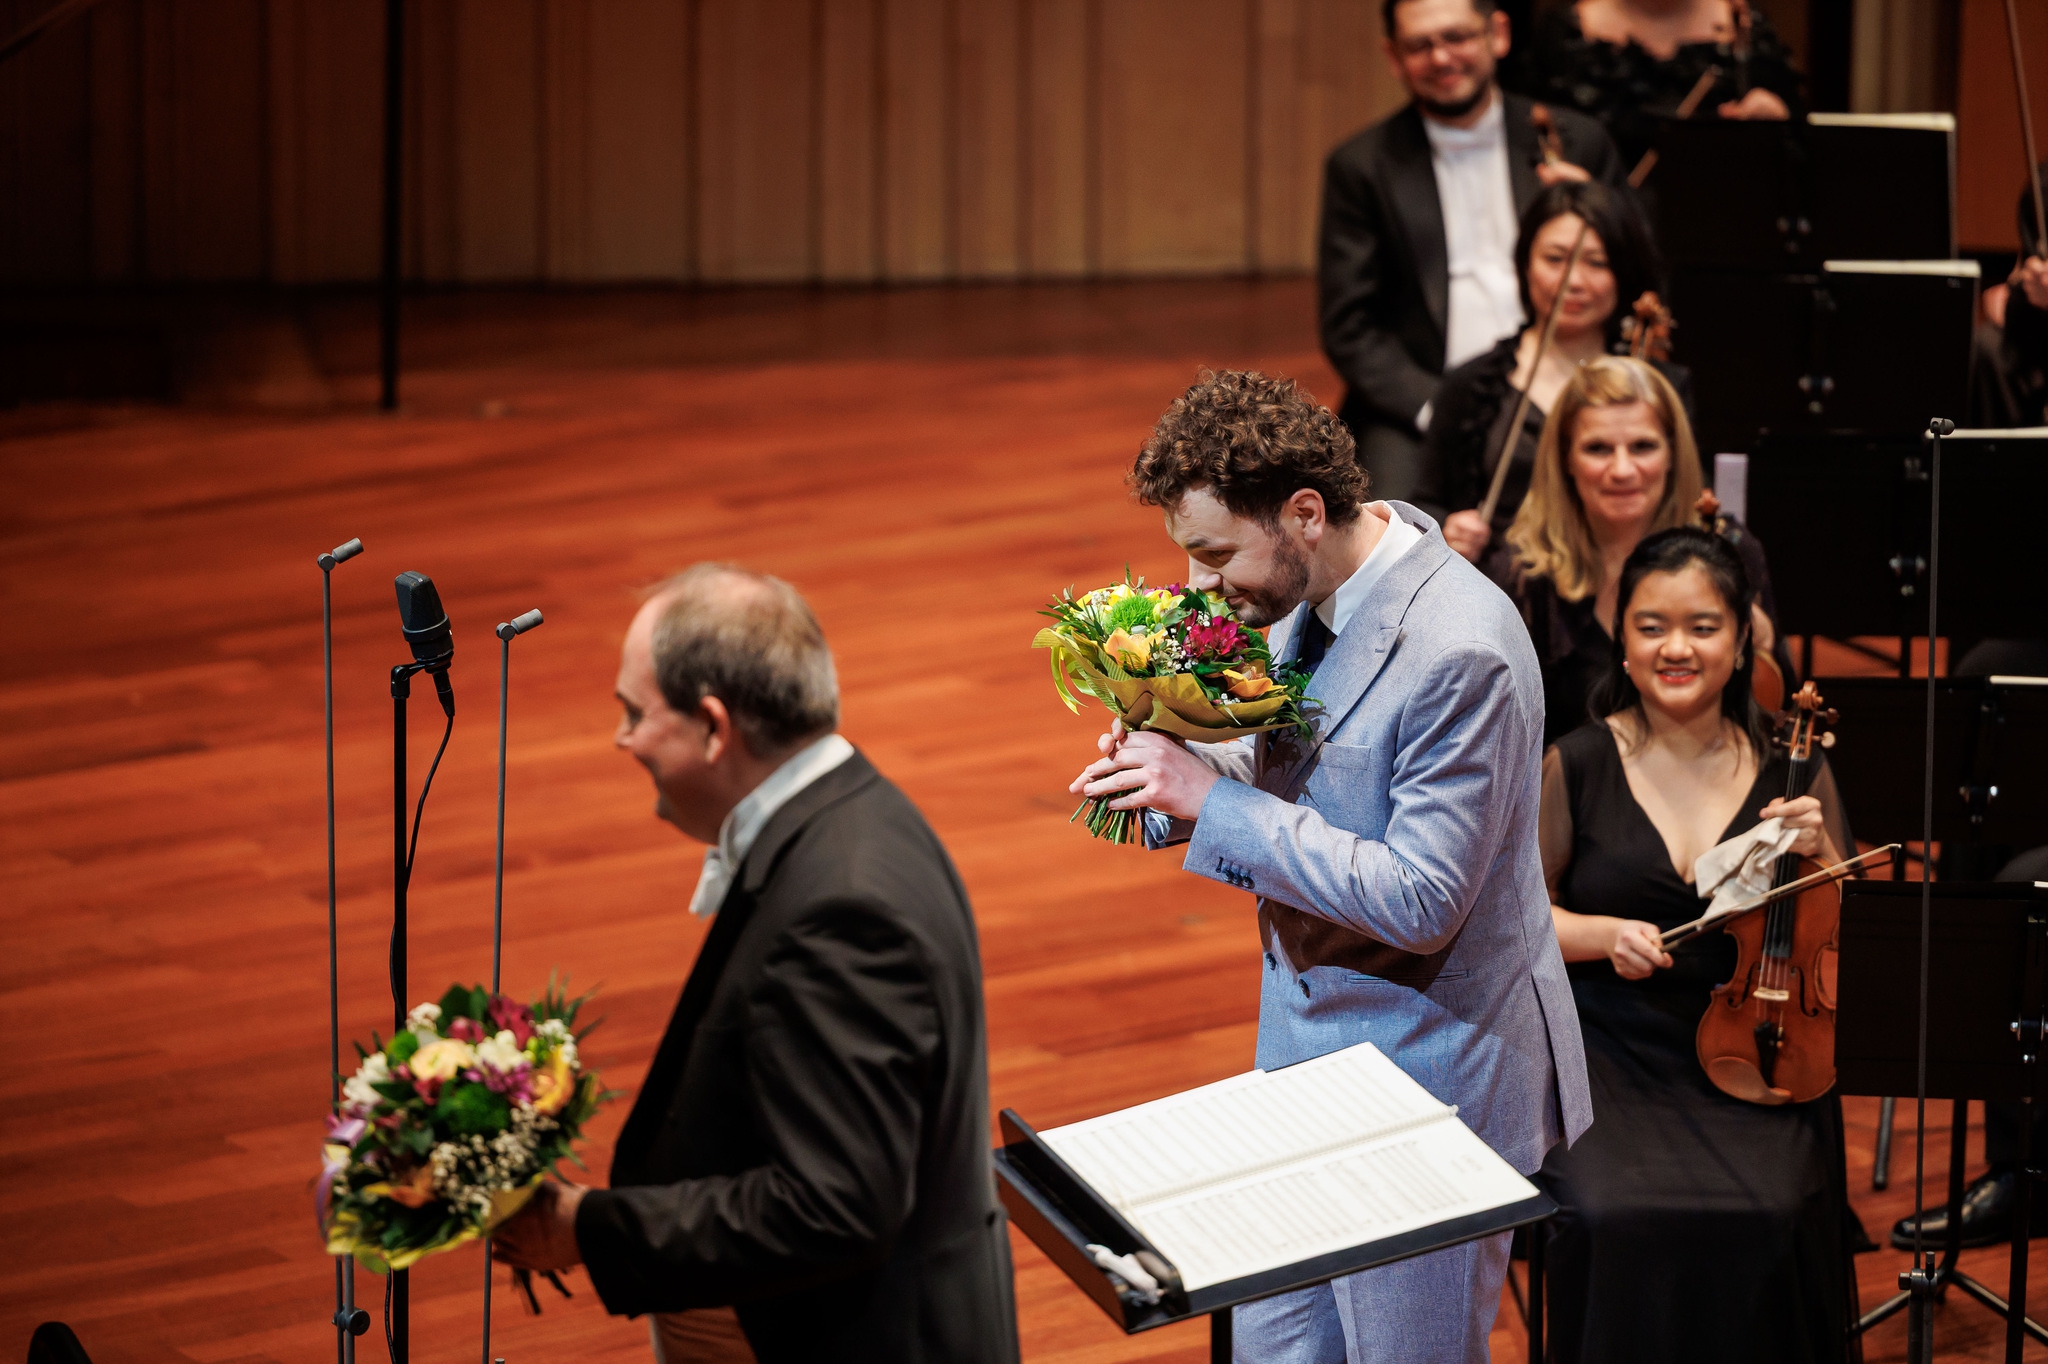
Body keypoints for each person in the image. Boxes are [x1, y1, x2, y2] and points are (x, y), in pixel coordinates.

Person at [1074, 369, 1590, 1363]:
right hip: (1305, 1057)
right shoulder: (1288, 589)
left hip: (1433, 1076)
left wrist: (1210, 800)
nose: (1199, 587)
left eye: (1214, 554)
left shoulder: (1461, 649)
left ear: (1305, 514)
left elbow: (1422, 898)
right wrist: (1158, 777)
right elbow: (1276, 766)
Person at [492, 564, 1019, 1364]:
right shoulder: (857, 810)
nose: (623, 740)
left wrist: (586, 1229)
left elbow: (835, 1208)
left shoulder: (840, 911)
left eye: (635, 713)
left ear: (714, 727)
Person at [1535, 525, 1854, 1364]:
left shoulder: (1795, 771)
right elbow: (1519, 923)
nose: (1676, 648)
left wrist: (1823, 851)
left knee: (1777, 1209)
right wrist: (1603, 935)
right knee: (1605, 1211)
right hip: (1611, 1051)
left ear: (1742, 642)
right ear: (1623, 639)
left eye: (1703, 627)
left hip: (1762, 1047)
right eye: (1652, 627)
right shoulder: (1576, 763)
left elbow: (1848, 930)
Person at [1319, 0, 1626, 506]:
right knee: (1388, 534)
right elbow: (1350, 327)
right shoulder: (1361, 166)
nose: (1441, 58)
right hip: (1422, 401)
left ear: (1497, 35)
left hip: (1567, 382)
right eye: (1420, 45)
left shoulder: (1576, 142)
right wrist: (1439, 408)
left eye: (1457, 37)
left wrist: (1597, 213)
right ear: (1394, 57)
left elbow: (1636, 271)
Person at [1489, 354, 1785, 745]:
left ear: (1673, 454)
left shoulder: (1729, 550)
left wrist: (1761, 646)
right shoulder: (1523, 573)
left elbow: (1771, 717)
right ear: (1565, 459)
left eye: (1643, 446)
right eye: (1598, 449)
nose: (1622, 470)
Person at [1413, 179, 1687, 561]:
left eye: (1597, 263)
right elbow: (1425, 504)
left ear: (1624, 271)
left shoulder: (1657, 385)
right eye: (1555, 259)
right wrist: (1448, 529)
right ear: (1525, 265)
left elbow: (1687, 495)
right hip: (1501, 581)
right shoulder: (1472, 384)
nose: (1573, 281)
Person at [1513, 0, 1802, 170]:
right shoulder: (1562, 37)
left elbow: (1800, 162)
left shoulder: (1750, 34)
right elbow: (1528, 151)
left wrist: (1778, 131)